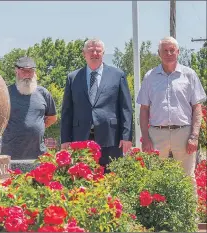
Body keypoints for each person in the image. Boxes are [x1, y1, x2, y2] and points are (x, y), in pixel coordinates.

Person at [137, 36, 206, 178]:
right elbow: (144, 110)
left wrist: (194, 136)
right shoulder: (150, 77)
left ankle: (189, 202)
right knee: (154, 177)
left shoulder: (189, 75)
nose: (168, 54)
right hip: (156, 134)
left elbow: (197, 108)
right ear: (159, 53)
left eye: (172, 50)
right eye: (165, 50)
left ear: (178, 52)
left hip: (183, 133)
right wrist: (146, 137)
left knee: (187, 178)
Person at [60, 39, 133, 169]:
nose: (94, 53)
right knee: (82, 177)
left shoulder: (117, 75)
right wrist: (65, 139)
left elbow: (126, 108)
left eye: (98, 50)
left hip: (111, 137)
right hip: (80, 138)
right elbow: (67, 111)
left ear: (103, 53)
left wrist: (126, 136)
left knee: (111, 178)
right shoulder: (73, 77)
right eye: (91, 50)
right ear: (84, 54)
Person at [0, 56, 58, 160]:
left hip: (38, 154)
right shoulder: (6, 93)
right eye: (24, 71)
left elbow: (52, 118)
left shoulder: (44, 93)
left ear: (35, 73)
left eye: (30, 71)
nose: (27, 75)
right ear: (16, 71)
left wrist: (37, 127)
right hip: (10, 154)